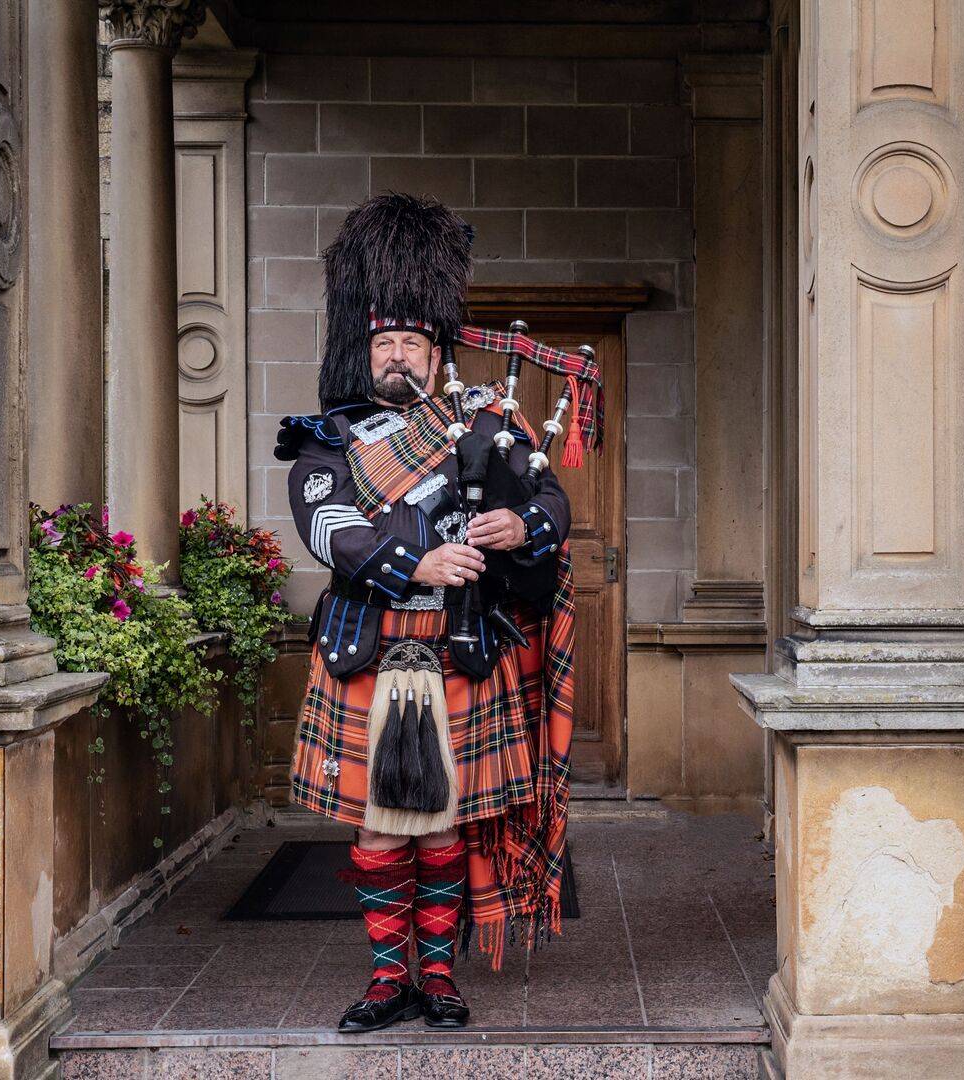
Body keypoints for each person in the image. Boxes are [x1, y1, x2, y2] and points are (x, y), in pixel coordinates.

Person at [275, 193, 592, 1033]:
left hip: (457, 651)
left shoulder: (485, 425)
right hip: (370, 656)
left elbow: (553, 501)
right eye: (383, 341)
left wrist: (522, 523)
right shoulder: (327, 440)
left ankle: (440, 975)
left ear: (436, 347)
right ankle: (388, 978)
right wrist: (417, 559)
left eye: (411, 341)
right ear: (362, 347)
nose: (397, 356)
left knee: (444, 825)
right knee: (382, 831)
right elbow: (328, 529)